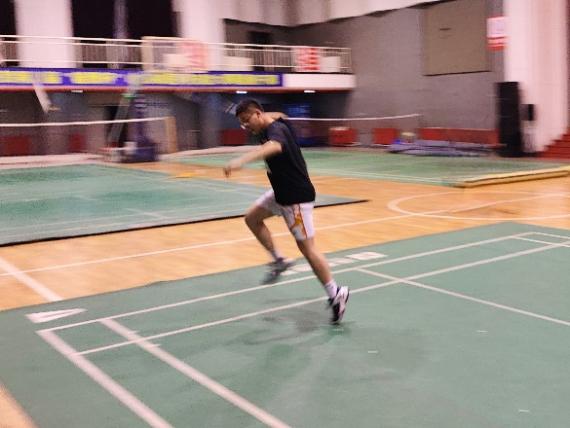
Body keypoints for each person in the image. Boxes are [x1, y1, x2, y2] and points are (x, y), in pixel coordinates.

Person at [223, 99, 350, 323]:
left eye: (247, 120)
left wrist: (241, 160)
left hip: (296, 199)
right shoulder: (272, 123)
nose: (245, 126)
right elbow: (281, 114)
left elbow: (275, 146)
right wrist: (261, 116)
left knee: (308, 249)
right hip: (280, 193)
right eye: (242, 122)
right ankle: (279, 260)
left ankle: (336, 293)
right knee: (252, 218)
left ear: (258, 114)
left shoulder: (276, 130)